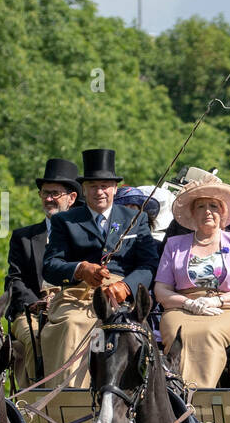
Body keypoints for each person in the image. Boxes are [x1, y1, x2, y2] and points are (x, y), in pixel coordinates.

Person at [41, 148, 160, 388]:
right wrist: (80, 268)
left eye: (105, 186)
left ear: (115, 188)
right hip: (79, 296)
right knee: (74, 325)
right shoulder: (65, 221)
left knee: (128, 330)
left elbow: (149, 264)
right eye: (94, 186)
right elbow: (50, 266)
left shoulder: (134, 219)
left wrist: (126, 285)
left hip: (122, 299)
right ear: (83, 189)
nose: (100, 192)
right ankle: (70, 395)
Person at [153, 176, 230, 389]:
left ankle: (199, 396)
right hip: (182, 309)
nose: (208, 211)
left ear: (223, 213)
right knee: (180, 333)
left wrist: (217, 301)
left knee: (207, 333)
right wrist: (188, 303)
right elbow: (161, 289)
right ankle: (176, 395)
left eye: (213, 205)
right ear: (193, 213)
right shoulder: (175, 244)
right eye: (201, 206)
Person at [6, 157, 81, 388]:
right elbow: (14, 281)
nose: (49, 198)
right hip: (31, 312)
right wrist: (35, 303)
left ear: (72, 198)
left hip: (71, 306)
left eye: (55, 193)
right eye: (45, 193)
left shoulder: (83, 236)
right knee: (35, 338)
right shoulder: (24, 237)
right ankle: (32, 399)